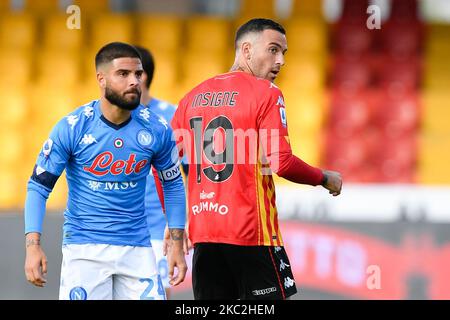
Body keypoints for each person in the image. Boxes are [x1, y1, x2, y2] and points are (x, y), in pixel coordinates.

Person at [171, 18, 342, 300]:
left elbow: (164, 164)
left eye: (284, 53)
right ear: (246, 50)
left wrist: (176, 228)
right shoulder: (267, 93)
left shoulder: (191, 97)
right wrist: (324, 177)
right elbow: (282, 162)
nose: (281, 60)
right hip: (252, 234)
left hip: (204, 237)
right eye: (274, 50)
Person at [23, 42, 187, 300]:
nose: (134, 81)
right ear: (101, 78)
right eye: (123, 74)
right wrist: (33, 246)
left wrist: (177, 241)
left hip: (137, 247)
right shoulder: (73, 127)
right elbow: (39, 187)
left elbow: (173, 183)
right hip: (85, 249)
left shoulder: (157, 128)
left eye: (138, 74)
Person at [134, 45, 188, 299]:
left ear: (140, 76)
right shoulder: (104, 117)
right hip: (115, 230)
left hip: (157, 231)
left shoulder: (172, 117)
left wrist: (181, 224)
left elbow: (192, 171)